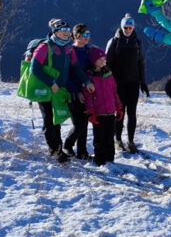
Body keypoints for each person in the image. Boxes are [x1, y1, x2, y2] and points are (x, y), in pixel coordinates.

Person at [30, 18, 94, 163]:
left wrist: (87, 81)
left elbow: (75, 67)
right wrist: (50, 82)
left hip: (59, 90)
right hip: (45, 90)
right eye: (63, 30)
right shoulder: (44, 47)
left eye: (67, 30)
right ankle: (55, 151)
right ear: (55, 31)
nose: (66, 33)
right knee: (48, 120)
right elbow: (35, 69)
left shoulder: (68, 48)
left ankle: (58, 149)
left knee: (56, 119)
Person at [105, 14, 148, 154]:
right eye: (125, 27)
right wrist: (109, 83)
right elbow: (107, 64)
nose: (128, 29)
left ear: (133, 27)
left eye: (130, 27)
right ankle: (117, 139)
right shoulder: (114, 41)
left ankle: (131, 140)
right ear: (121, 27)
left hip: (133, 83)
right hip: (118, 84)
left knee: (132, 113)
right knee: (120, 112)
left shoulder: (137, 42)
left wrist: (143, 82)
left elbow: (141, 63)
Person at [83, 47, 124, 166]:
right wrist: (90, 112)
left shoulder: (108, 73)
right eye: (100, 59)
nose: (103, 61)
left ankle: (110, 158)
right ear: (93, 61)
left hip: (110, 111)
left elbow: (114, 92)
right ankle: (100, 160)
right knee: (99, 138)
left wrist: (119, 107)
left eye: (104, 59)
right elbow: (88, 96)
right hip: (98, 113)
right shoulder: (89, 76)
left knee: (109, 137)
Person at [63, 23, 94, 159]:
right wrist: (76, 91)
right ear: (76, 36)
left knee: (85, 121)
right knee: (79, 123)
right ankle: (68, 145)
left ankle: (82, 152)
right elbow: (67, 75)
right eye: (84, 35)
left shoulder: (88, 50)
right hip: (72, 92)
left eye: (88, 34)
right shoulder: (70, 51)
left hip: (87, 92)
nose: (87, 37)